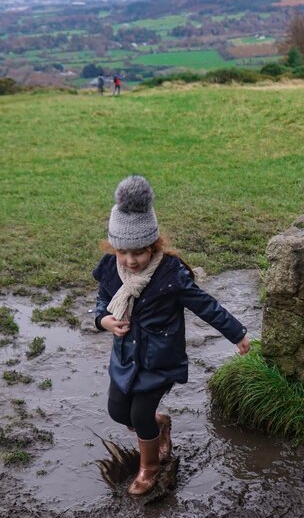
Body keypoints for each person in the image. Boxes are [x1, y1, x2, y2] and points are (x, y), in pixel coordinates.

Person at [93, 175, 250, 497]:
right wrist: (104, 320)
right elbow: (101, 302)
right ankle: (159, 424)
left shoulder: (171, 276)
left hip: (158, 359)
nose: (131, 260)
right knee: (118, 412)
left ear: (153, 245)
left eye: (139, 252)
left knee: (138, 414)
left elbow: (207, 306)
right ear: (114, 248)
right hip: (124, 356)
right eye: (123, 252)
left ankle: (149, 468)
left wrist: (237, 334)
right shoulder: (111, 268)